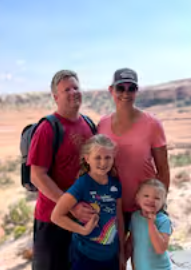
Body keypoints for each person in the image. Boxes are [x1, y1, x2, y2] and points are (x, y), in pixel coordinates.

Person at [27, 70, 96, 270]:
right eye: (67, 89)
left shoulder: (89, 125)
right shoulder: (48, 128)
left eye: (76, 87)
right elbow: (37, 175)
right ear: (56, 97)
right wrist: (71, 205)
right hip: (53, 221)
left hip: (84, 218)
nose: (74, 92)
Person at [98, 67, 170, 224]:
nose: (126, 93)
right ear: (111, 90)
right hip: (112, 206)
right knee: (117, 249)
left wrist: (158, 206)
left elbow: (163, 170)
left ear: (136, 91)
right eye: (120, 88)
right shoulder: (102, 125)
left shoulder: (152, 124)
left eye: (131, 88)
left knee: (143, 249)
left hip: (144, 208)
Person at [51, 134, 125, 270]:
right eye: (98, 157)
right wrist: (83, 230)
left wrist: (122, 253)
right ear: (87, 159)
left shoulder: (116, 185)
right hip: (85, 256)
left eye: (107, 157)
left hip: (111, 256)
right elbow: (56, 216)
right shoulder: (82, 185)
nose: (103, 163)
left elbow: (119, 219)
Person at [125, 179, 172, 270]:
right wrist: (123, 260)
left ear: (163, 202)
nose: (151, 200)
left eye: (157, 198)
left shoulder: (164, 221)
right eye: (146, 196)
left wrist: (151, 224)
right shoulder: (135, 217)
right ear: (137, 198)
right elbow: (131, 242)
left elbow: (160, 249)